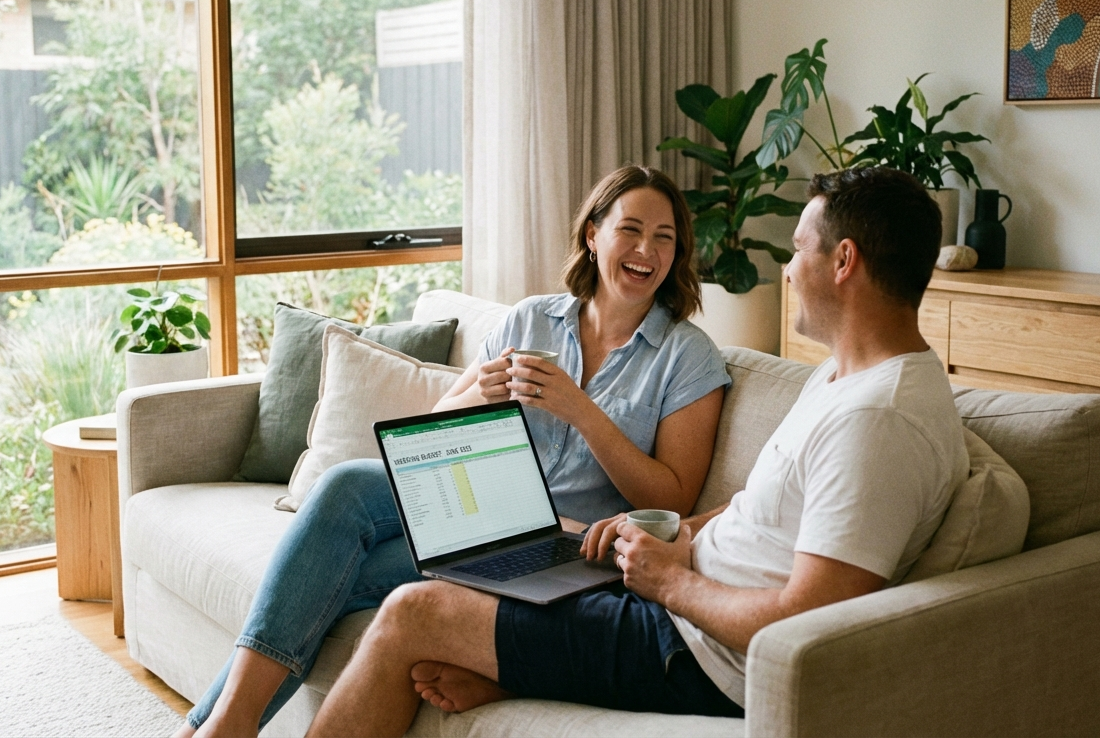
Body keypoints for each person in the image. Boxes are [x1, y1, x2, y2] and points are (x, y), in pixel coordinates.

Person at [303, 165, 973, 737]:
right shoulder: (841, 376)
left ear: (845, 261)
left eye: (798, 250)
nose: (789, 270)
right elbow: (756, 510)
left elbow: (811, 620)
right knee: (434, 561)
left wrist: (672, 583)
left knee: (413, 611)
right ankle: (517, 672)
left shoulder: (878, 421)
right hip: (675, 600)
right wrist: (674, 537)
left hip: (697, 651)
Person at [177, 165, 732, 737]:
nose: (647, 250)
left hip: (571, 549)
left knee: (347, 571)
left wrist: (580, 411)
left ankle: (211, 728)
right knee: (346, 488)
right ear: (593, 235)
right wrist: (478, 398)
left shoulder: (687, 356)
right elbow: (432, 432)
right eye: (631, 230)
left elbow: (672, 499)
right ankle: (225, 726)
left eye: (664, 237)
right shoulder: (530, 319)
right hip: (485, 514)